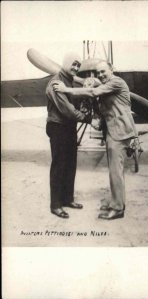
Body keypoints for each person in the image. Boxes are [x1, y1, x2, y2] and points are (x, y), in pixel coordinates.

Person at [53, 60, 138, 220]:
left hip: (119, 133)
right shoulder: (106, 88)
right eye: (98, 73)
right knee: (115, 171)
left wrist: (66, 89)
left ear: (112, 69)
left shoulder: (117, 82)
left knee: (115, 172)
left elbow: (93, 93)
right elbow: (97, 103)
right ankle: (116, 202)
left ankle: (118, 209)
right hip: (112, 132)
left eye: (103, 71)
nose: (101, 75)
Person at [46, 52, 91, 219]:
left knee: (70, 164)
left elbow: (76, 104)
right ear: (65, 63)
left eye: (78, 65)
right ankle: (56, 205)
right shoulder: (56, 82)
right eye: (73, 64)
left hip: (69, 127)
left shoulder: (71, 82)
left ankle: (67, 199)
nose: (76, 67)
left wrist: (86, 101)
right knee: (59, 165)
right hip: (58, 127)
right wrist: (87, 118)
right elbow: (67, 109)